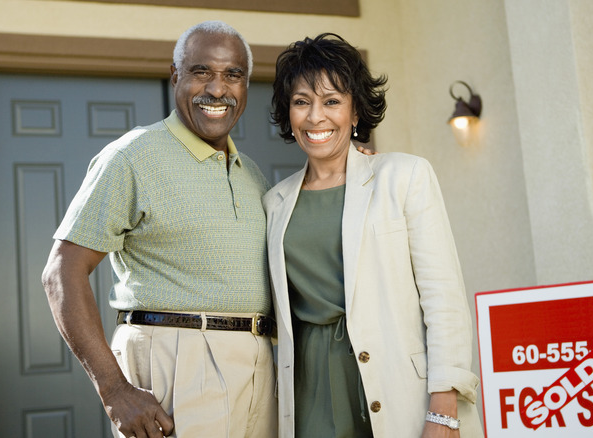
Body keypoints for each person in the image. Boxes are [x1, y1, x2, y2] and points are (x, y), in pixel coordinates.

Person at [41, 21, 278, 438]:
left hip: (260, 365)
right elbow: (61, 272)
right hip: (177, 362)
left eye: (232, 75)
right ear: (176, 77)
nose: (218, 89)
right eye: (201, 71)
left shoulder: (253, 175)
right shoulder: (133, 157)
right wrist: (114, 389)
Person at [264, 33, 485, 438]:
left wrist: (444, 406)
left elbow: (443, 296)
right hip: (312, 392)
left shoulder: (404, 176)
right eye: (301, 102)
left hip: (401, 386)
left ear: (355, 111)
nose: (315, 117)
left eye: (331, 101)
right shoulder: (273, 203)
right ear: (288, 112)